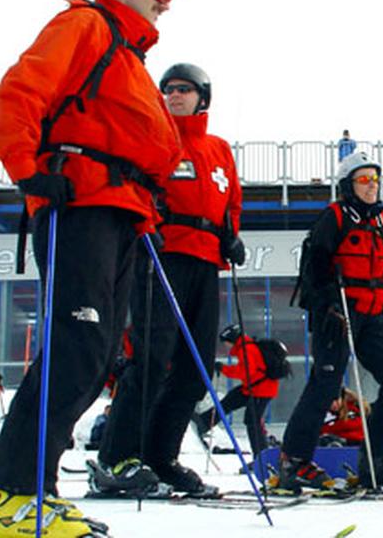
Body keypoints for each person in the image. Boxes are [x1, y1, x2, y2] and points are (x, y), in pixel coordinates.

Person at [0, 0, 180, 534]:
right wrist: (29, 172)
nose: (166, 4)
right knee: (77, 346)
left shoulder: (131, 57)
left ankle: (33, 487)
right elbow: (18, 93)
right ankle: (12, 490)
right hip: (81, 203)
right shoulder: (86, 25)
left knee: (98, 355)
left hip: (121, 211)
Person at [94, 62, 244, 497]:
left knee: (194, 368)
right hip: (162, 256)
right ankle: (117, 457)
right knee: (152, 358)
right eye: (168, 89)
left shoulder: (218, 149)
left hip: (205, 262)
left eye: (184, 89)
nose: (174, 95)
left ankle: (161, 456)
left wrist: (231, 235)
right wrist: (146, 223)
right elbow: (134, 185)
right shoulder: (153, 138)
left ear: (203, 97)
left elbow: (230, 199)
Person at [278, 151, 383, 491]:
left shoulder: (382, 219)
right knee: (325, 385)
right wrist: (326, 304)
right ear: (348, 185)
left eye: (375, 179)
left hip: (372, 311)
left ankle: (378, 460)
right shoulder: (334, 217)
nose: (371, 186)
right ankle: (294, 461)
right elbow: (315, 267)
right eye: (364, 180)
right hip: (338, 310)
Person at [194, 325, 279, 459]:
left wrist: (224, 369)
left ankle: (261, 458)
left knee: (252, 422)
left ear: (231, 340)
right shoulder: (245, 347)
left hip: (260, 391)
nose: (225, 347)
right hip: (252, 388)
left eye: (225, 343)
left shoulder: (247, 349)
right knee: (229, 401)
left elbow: (245, 372)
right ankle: (203, 422)